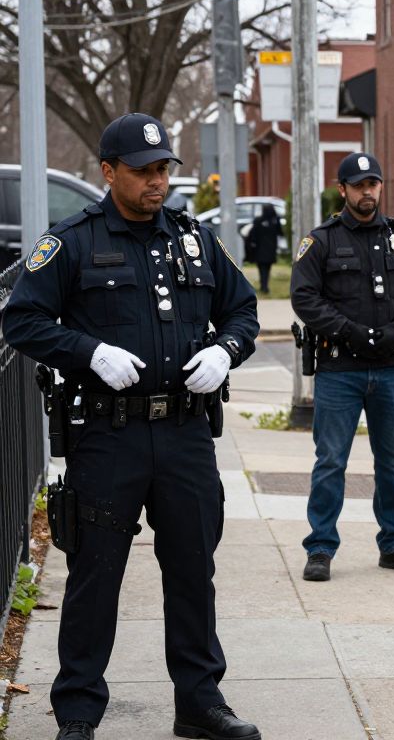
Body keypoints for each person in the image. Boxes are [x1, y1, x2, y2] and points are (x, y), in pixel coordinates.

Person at [0, 113, 260, 740]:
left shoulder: (195, 241)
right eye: (143, 171)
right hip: (108, 436)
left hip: (185, 433)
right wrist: (88, 352)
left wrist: (225, 350)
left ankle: (199, 702)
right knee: (96, 574)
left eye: (163, 168)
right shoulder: (73, 241)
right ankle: (78, 710)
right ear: (109, 172)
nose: (157, 181)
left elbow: (244, 310)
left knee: (193, 570)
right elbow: (21, 320)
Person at [290, 151, 394, 581]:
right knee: (331, 462)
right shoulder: (322, 241)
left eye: (372, 184)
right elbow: (304, 297)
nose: (366, 192)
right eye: (358, 186)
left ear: (380, 187)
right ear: (343, 190)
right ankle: (320, 548)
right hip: (340, 369)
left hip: (392, 368)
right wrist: (348, 331)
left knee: (392, 462)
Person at [250, 204, 282, 293]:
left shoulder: (258, 220)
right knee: (267, 268)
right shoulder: (275, 220)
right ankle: (264, 286)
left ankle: (263, 286)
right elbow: (280, 232)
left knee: (261, 268)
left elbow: (253, 234)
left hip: (259, 248)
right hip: (271, 249)